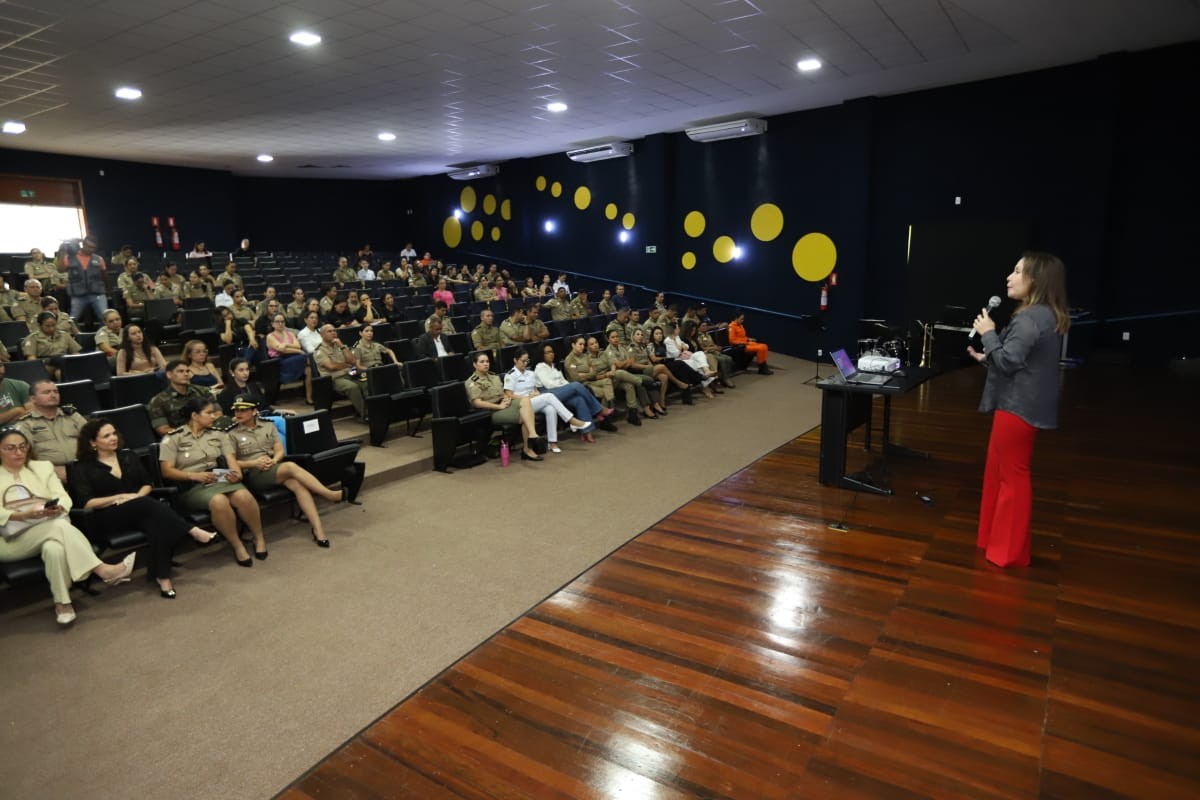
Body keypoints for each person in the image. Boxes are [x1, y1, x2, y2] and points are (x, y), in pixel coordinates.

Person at [968, 252, 1070, 568]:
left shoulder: (1028, 318)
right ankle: (993, 542)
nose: (1009, 277)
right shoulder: (1047, 315)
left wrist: (988, 333)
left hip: (1016, 408)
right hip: (1025, 406)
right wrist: (990, 355)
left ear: (1035, 280)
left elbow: (1010, 361)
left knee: (1011, 477)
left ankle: (1006, 552)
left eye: (1016, 271)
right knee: (1000, 472)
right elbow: (1021, 358)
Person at [0, 428, 136, 625]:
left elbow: (63, 496)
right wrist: (23, 515)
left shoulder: (42, 467)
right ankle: (103, 570)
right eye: (10, 448)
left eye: (23, 447)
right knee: (58, 527)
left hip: (47, 527)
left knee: (54, 548)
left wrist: (57, 507)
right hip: (10, 541)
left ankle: (63, 604)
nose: (18, 452)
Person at [68, 420, 217, 598]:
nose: (113, 438)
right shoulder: (82, 467)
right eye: (106, 436)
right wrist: (120, 498)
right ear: (92, 442)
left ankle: (163, 578)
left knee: (155, 523)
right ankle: (190, 529)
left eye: (114, 433)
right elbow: (86, 503)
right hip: (105, 516)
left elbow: (147, 484)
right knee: (148, 507)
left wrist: (136, 498)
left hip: (139, 510)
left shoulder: (128, 456)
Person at [227, 397, 350, 547]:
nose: (238, 413)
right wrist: (254, 463)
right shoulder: (231, 434)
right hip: (252, 474)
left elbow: (279, 450)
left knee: (298, 485)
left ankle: (319, 531)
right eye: (236, 410)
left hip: (273, 468)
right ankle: (328, 494)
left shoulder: (268, 426)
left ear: (254, 411)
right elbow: (232, 462)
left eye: (243, 410)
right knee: (291, 467)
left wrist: (274, 461)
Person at [159, 397, 266, 566]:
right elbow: (166, 471)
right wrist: (192, 476)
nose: (214, 416)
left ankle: (259, 538)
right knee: (219, 501)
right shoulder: (173, 438)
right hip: (194, 485)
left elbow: (231, 460)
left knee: (244, 496)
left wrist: (236, 474)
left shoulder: (218, 434)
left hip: (219, 477)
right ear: (194, 415)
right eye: (209, 413)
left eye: (214, 412)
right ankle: (237, 545)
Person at [504, 349, 594, 454]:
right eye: (522, 361)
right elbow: (508, 395)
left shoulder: (530, 373)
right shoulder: (510, 375)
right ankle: (572, 420)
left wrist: (537, 393)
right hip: (520, 404)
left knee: (550, 409)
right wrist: (525, 398)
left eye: (527, 361)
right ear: (515, 360)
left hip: (533, 401)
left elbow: (535, 389)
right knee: (549, 396)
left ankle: (552, 442)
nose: (525, 363)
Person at [464, 352, 544, 461]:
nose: (486, 364)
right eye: (482, 362)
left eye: (487, 361)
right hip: (491, 411)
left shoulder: (494, 376)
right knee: (525, 417)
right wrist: (499, 407)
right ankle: (528, 448)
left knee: (525, 400)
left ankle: (532, 435)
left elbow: (503, 393)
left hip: (504, 404)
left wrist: (506, 398)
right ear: (475, 365)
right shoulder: (472, 382)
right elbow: (477, 403)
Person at [532, 343, 611, 441]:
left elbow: (563, 380)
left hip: (560, 391)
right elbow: (549, 385)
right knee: (576, 385)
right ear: (542, 355)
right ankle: (598, 409)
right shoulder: (540, 367)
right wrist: (568, 387)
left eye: (552, 352)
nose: (551, 354)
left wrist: (567, 387)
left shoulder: (554, 366)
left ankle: (587, 432)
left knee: (579, 399)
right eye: (547, 352)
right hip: (548, 394)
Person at [15, 379, 86, 482]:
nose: (53, 395)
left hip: (82, 467)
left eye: (55, 391)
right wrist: (47, 470)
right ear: (33, 399)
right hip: (49, 473)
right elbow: (23, 456)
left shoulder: (73, 416)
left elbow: (94, 439)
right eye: (46, 392)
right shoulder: (26, 424)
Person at [148, 360, 220, 436]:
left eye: (187, 371)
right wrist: (192, 433)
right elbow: (162, 430)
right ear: (169, 375)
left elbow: (218, 413)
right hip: (181, 439)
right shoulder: (158, 400)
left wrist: (204, 429)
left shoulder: (203, 391)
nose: (186, 374)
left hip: (209, 432)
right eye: (180, 371)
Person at [604, 328, 659, 424]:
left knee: (630, 385)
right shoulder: (608, 351)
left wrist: (624, 363)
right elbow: (620, 366)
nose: (616, 339)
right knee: (621, 372)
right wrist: (625, 363)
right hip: (615, 379)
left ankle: (632, 414)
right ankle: (643, 382)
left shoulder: (621, 347)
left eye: (617, 336)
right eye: (613, 337)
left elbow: (630, 362)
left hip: (627, 376)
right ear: (608, 339)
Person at [314, 324, 365, 420]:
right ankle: (365, 415)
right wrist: (346, 365)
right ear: (322, 335)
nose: (333, 333)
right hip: (335, 379)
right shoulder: (319, 351)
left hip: (350, 374)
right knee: (353, 387)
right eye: (329, 331)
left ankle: (372, 410)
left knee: (366, 382)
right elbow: (331, 366)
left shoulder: (340, 346)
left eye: (334, 331)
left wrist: (341, 346)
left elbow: (353, 361)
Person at [58, 236, 108, 328]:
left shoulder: (99, 259)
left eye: (93, 247)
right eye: (88, 246)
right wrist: (62, 251)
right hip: (78, 295)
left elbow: (104, 275)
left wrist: (105, 290)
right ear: (83, 245)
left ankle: (105, 338)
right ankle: (72, 339)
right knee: (72, 319)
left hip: (97, 293)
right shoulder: (70, 258)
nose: (90, 249)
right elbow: (60, 269)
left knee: (105, 318)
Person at [564, 335, 614, 412]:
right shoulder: (570, 360)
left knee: (607, 381)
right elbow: (576, 379)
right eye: (580, 344)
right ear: (573, 345)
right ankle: (606, 414)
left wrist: (583, 374)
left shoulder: (585, 356)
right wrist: (589, 373)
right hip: (581, 386)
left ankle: (608, 410)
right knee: (605, 393)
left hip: (590, 381)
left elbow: (594, 372)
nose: (582, 347)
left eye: (583, 344)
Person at [265, 313, 307, 384]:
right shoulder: (270, 336)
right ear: (272, 324)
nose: (280, 324)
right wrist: (298, 351)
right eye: (277, 322)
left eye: (282, 321)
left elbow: (298, 345)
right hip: (279, 360)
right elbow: (281, 350)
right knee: (304, 358)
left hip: (292, 356)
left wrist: (285, 344)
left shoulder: (290, 334)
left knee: (307, 366)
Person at [728, 310, 773, 375]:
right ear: (736, 318)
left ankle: (763, 366)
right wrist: (744, 342)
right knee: (761, 348)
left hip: (745, 343)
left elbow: (742, 337)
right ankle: (762, 368)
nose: (743, 320)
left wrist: (748, 339)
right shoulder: (731, 327)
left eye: (743, 319)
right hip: (739, 346)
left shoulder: (740, 325)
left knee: (764, 346)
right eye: (741, 319)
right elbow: (732, 340)